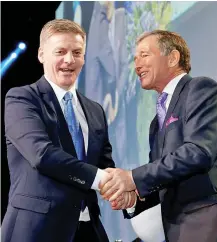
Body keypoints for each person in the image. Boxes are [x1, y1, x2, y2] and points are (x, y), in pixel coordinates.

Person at [2, 19, 134, 242]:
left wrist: (121, 191)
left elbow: (104, 164)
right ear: (42, 55)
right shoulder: (22, 99)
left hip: (87, 228)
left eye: (77, 52)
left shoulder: (95, 110)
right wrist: (104, 179)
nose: (69, 60)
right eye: (60, 51)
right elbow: (42, 155)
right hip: (36, 230)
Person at [100, 30, 217, 242]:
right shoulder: (156, 123)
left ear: (173, 58)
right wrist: (134, 198)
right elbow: (164, 179)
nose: (137, 64)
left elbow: (198, 153)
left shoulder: (200, 89)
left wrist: (131, 177)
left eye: (144, 55)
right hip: (177, 230)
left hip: (210, 222)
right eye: (135, 58)